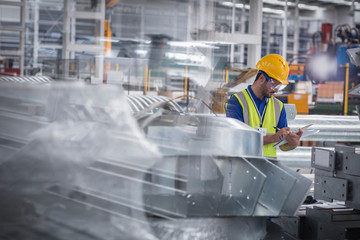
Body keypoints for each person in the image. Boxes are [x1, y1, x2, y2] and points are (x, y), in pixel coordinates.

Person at [226, 54, 302, 158]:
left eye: (280, 86)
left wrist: (293, 143)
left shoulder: (278, 106)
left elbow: (282, 145)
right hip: (244, 165)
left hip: (269, 168)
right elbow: (236, 138)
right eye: (274, 84)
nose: (276, 90)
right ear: (262, 78)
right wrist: (273, 138)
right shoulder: (237, 102)